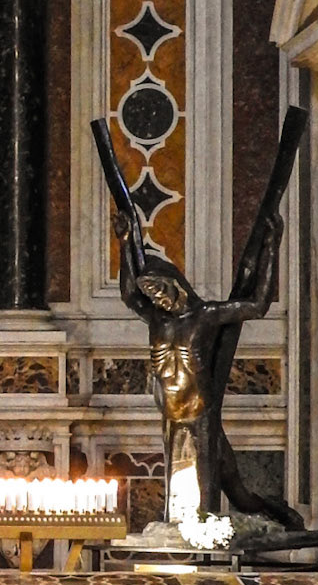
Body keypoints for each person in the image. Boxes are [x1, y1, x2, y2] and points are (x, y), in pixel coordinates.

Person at [114, 211, 301, 526]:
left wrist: (272, 246)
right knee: (186, 485)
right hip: (171, 413)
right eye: (152, 296)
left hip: (201, 413)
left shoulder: (203, 316)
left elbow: (257, 305)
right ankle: (188, 529)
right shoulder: (158, 319)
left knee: (224, 489)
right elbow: (129, 295)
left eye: (160, 292)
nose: (158, 300)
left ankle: (275, 516)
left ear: (175, 286)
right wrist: (124, 242)